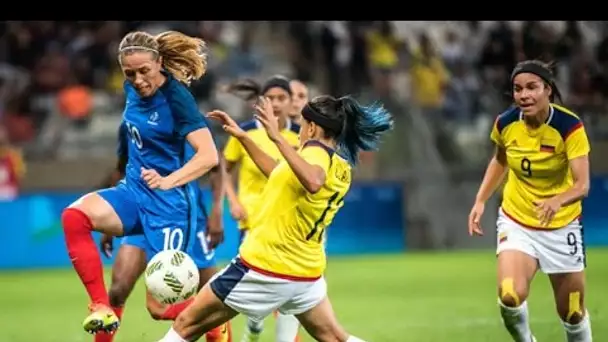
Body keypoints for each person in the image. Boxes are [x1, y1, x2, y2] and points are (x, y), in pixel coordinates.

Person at [158, 93, 393, 342]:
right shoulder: (340, 166)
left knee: (186, 324)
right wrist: (243, 137)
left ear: (312, 127)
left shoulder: (313, 155)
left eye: (302, 125)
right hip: (306, 273)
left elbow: (313, 180)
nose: (300, 131)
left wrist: (277, 137)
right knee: (335, 337)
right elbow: (279, 172)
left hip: (266, 268)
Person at [61, 30, 220, 335]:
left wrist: (167, 180)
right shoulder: (133, 88)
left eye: (144, 71)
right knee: (74, 216)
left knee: (159, 308)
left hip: (170, 207)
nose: (137, 79)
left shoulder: (177, 99)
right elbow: (131, 141)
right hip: (133, 193)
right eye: (129, 73)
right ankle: (100, 306)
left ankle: (216, 318)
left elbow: (210, 156)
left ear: (160, 62)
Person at [468, 60, 593, 342]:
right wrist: (480, 200)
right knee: (510, 294)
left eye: (532, 88)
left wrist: (557, 201)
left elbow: (582, 185)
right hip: (517, 220)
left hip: (562, 225)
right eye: (517, 89)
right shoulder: (506, 123)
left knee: (572, 312)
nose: (524, 95)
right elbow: (500, 159)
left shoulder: (569, 126)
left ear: (547, 90)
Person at [93, 152, 232, 342]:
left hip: (186, 218)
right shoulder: (132, 125)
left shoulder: (189, 125)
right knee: (118, 290)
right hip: (143, 216)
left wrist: (217, 210)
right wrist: (111, 217)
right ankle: (212, 315)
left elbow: (215, 163)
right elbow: (121, 168)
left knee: (210, 291)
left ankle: (214, 319)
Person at [221, 76, 302, 342]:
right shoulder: (246, 131)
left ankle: (280, 335)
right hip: (253, 221)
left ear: (291, 102)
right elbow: (225, 167)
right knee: (256, 286)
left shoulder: (301, 135)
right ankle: (255, 323)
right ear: (262, 102)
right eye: (272, 99)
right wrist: (231, 199)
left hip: (288, 224)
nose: (277, 104)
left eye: (282, 98)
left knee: (290, 288)